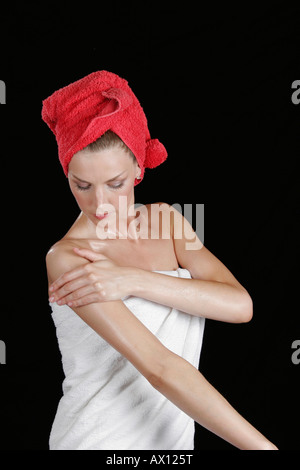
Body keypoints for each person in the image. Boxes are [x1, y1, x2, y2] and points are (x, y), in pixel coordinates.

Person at [43, 70, 277, 450]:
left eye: (114, 183)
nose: (99, 205)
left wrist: (133, 280)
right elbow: (160, 368)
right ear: (67, 173)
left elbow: (240, 305)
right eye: (81, 185)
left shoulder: (167, 221)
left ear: (138, 169)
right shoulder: (68, 258)